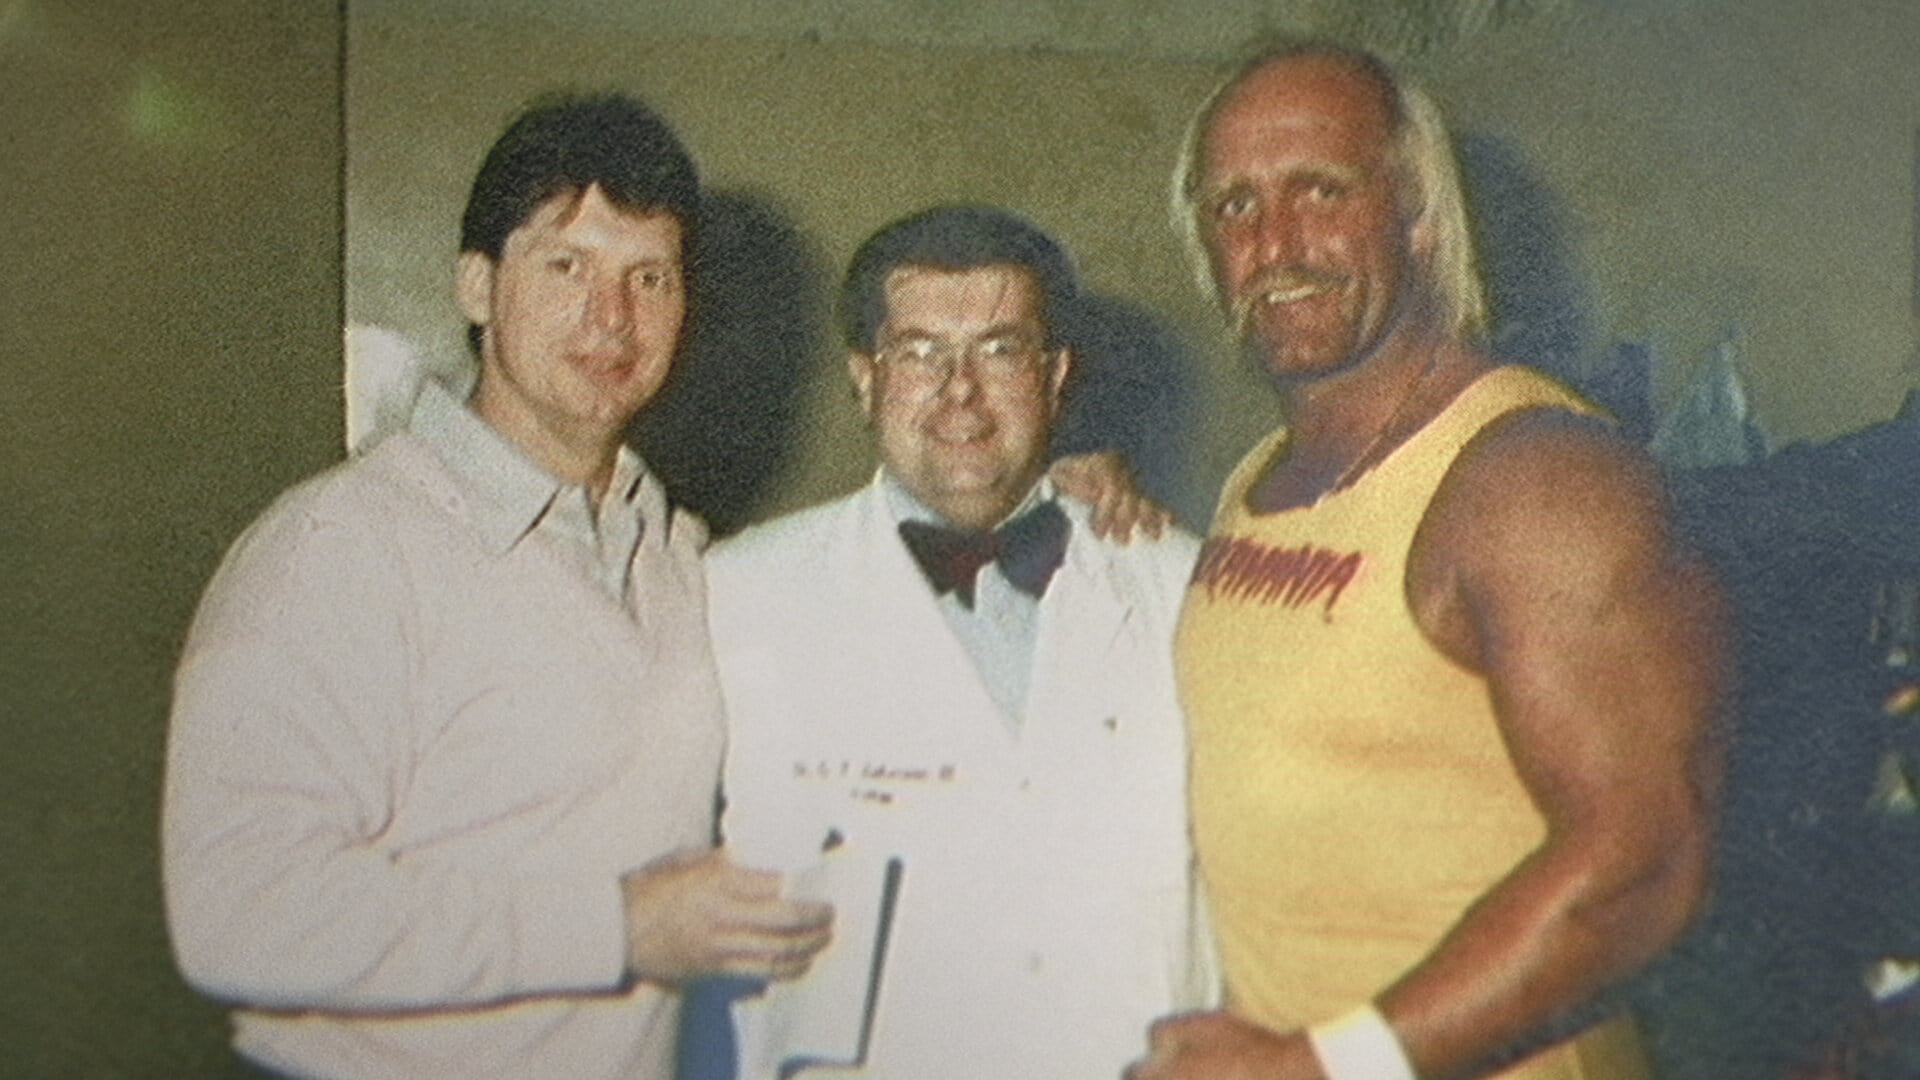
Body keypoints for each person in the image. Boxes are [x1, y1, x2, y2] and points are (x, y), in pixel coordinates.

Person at [162, 94, 832, 1080]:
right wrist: (615, 927)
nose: (613, 317)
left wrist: (1061, 516)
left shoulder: (675, 554)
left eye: (649, 277)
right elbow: (237, 912)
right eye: (568, 266)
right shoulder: (337, 548)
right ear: (477, 287)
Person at [1129, 42, 1728, 1080]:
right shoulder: (1259, 476)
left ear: (1418, 213)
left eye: (1322, 191)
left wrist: (1322, 1065)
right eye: (1234, 206)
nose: (1276, 245)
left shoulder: (1539, 479)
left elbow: (1647, 861)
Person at [705, 205, 1213, 1080]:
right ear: (864, 378)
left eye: (1000, 350)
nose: (961, 393)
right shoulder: (736, 595)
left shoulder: (1180, 586)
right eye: (919, 353)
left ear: (1056, 375)